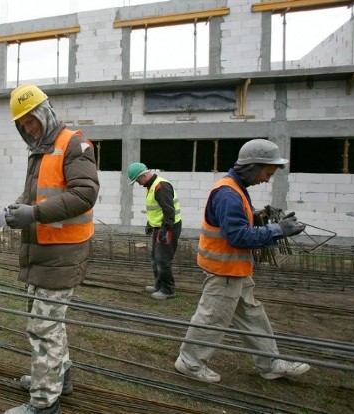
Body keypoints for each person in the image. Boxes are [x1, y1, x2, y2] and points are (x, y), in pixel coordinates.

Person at [174, 139, 309, 383]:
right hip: (223, 271)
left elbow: (239, 226)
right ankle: (189, 362)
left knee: (253, 317)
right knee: (212, 318)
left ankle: (270, 363)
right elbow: (237, 236)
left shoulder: (236, 190)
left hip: (235, 270)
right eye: (267, 173)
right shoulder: (229, 194)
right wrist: (278, 229)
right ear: (253, 166)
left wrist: (262, 220)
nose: (267, 179)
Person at [4, 84, 99, 414]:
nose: (29, 128)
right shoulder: (40, 150)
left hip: (62, 254)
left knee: (43, 329)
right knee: (48, 323)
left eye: (31, 120)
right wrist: (18, 208)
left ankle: (44, 405)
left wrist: (34, 213)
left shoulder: (74, 144)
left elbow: (84, 194)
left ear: (45, 112)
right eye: (23, 125)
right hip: (44, 254)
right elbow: (36, 196)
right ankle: (59, 378)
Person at [127, 162, 182, 300]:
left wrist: (165, 230)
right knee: (155, 258)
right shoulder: (150, 186)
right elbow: (156, 209)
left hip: (168, 227)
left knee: (163, 260)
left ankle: (168, 289)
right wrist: (150, 224)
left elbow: (169, 211)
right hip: (160, 227)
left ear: (144, 176)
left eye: (138, 180)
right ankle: (159, 285)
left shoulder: (161, 186)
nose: (138, 183)